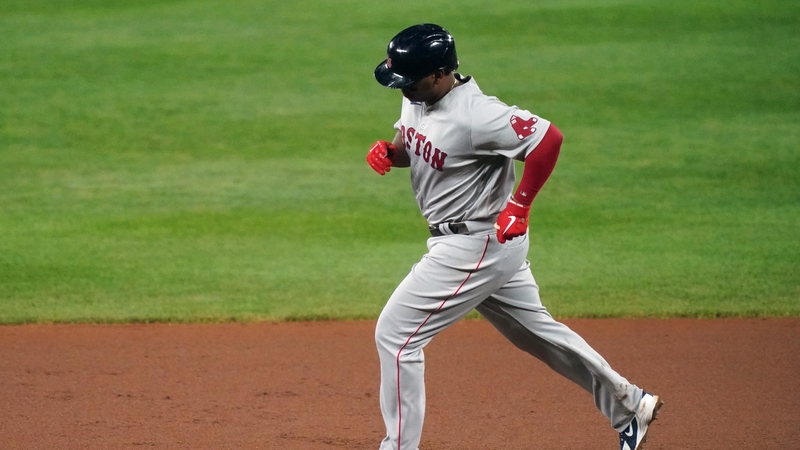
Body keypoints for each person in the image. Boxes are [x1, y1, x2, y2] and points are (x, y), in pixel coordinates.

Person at [366, 23, 663, 450]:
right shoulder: (418, 95)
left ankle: (398, 447)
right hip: (476, 244)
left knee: (396, 335)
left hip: (475, 244)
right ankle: (630, 404)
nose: (403, 89)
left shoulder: (478, 114)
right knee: (537, 334)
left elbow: (548, 138)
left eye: (409, 81)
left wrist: (519, 204)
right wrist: (391, 153)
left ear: (439, 74)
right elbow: (412, 139)